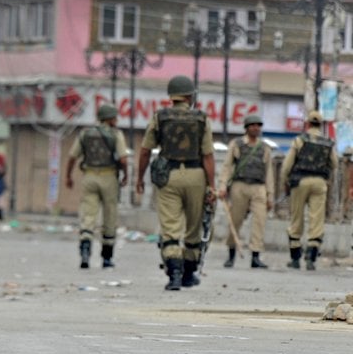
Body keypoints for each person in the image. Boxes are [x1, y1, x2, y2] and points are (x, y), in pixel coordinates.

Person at [135, 75, 216, 291]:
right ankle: (189, 273)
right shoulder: (201, 119)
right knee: (193, 227)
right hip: (196, 175)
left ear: (171, 96)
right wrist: (212, 186)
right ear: (190, 96)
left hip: (168, 176)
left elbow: (145, 151)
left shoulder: (159, 118)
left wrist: (139, 178)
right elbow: (208, 156)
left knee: (171, 227)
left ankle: (174, 275)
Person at [65, 103, 128, 269]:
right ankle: (106, 258)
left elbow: (72, 157)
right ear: (109, 118)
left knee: (88, 215)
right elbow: (123, 158)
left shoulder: (85, 134)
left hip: (89, 176)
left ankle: (85, 253)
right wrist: (126, 175)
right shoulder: (116, 134)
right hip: (109, 177)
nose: (116, 119)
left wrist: (68, 176)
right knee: (110, 216)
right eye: (114, 116)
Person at [280, 110, 337, 271]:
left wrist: (285, 181)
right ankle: (311, 257)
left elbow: (286, 165)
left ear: (307, 123)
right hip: (320, 182)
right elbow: (335, 164)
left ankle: (295, 258)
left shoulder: (300, 140)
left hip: (300, 181)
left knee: (296, 217)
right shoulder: (327, 142)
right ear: (321, 124)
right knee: (316, 219)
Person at [217, 113, 274, 269]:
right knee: (235, 220)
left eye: (258, 125)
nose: (256, 128)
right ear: (247, 128)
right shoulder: (237, 144)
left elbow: (269, 173)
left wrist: (270, 196)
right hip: (239, 186)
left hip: (259, 187)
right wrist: (222, 187)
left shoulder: (265, 148)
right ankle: (231, 254)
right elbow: (227, 166)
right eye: (253, 125)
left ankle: (255, 256)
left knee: (259, 222)